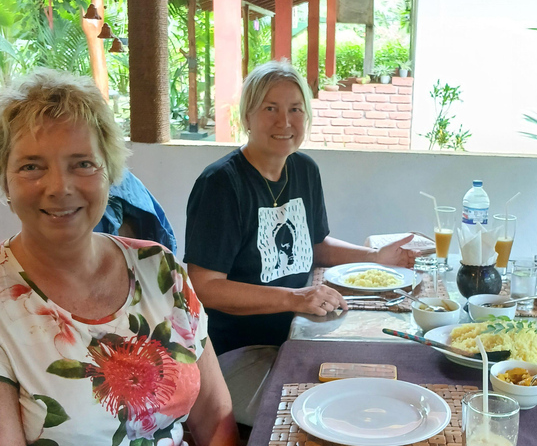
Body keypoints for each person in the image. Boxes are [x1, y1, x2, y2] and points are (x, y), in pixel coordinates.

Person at [0, 69, 238, 445]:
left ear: (109, 172)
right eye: (32, 166)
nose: (60, 188)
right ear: (5, 181)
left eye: (82, 163)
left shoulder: (161, 270)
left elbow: (217, 417)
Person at [184, 60, 417, 424]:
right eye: (270, 108)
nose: (285, 121)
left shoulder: (304, 169)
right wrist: (294, 299)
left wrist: (374, 257)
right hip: (239, 351)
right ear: (247, 116)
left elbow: (317, 245)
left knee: (383, 382)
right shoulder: (221, 185)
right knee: (324, 413)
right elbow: (203, 286)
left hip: (299, 335)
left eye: (295, 109)